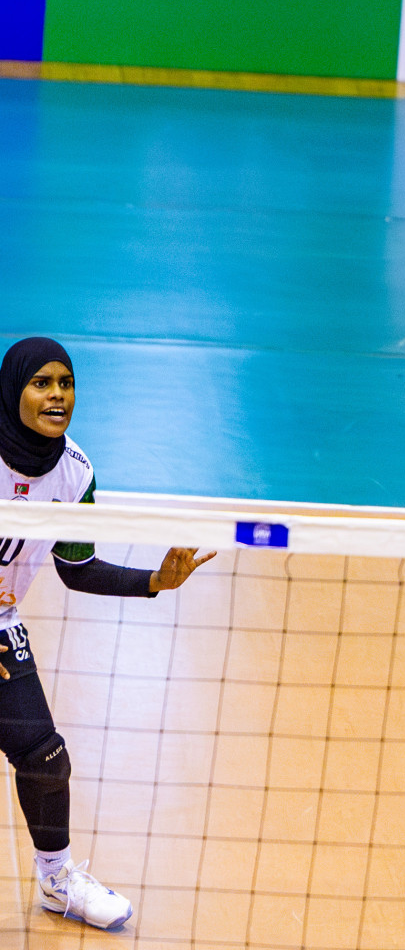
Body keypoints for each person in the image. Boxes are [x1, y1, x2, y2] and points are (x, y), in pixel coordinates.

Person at [0, 337, 214, 930]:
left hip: (0, 624)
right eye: (42, 383)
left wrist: (156, 581)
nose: (57, 395)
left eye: (65, 383)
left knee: (44, 756)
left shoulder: (74, 474)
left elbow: (77, 568)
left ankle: (55, 880)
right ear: (12, 388)